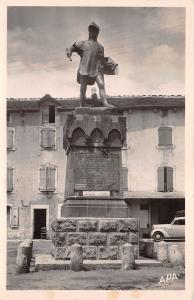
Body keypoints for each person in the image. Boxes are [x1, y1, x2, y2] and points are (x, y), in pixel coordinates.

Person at [66, 22, 114, 108]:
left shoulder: (100, 47)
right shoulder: (82, 43)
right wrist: (69, 51)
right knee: (83, 88)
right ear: (89, 31)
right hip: (85, 68)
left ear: (97, 32)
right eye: (91, 30)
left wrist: (109, 65)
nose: (92, 32)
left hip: (97, 68)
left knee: (101, 84)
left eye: (94, 30)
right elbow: (72, 47)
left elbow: (102, 61)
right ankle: (81, 105)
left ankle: (105, 103)